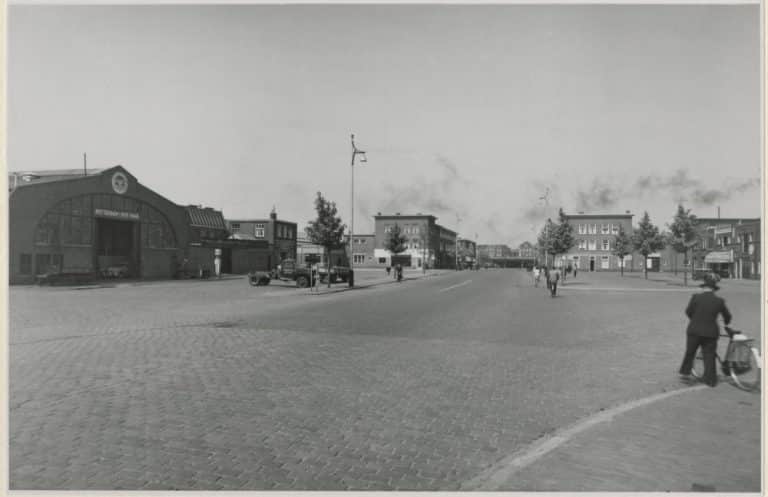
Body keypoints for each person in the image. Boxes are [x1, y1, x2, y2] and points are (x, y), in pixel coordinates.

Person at [678, 274, 732, 387]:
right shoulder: (719, 301)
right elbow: (727, 316)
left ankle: (685, 374)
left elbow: (688, 312)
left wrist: (695, 319)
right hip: (711, 332)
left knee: (690, 352)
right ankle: (710, 380)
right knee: (709, 355)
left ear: (704, 287)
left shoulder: (696, 297)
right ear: (713, 289)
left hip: (694, 330)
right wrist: (726, 323)